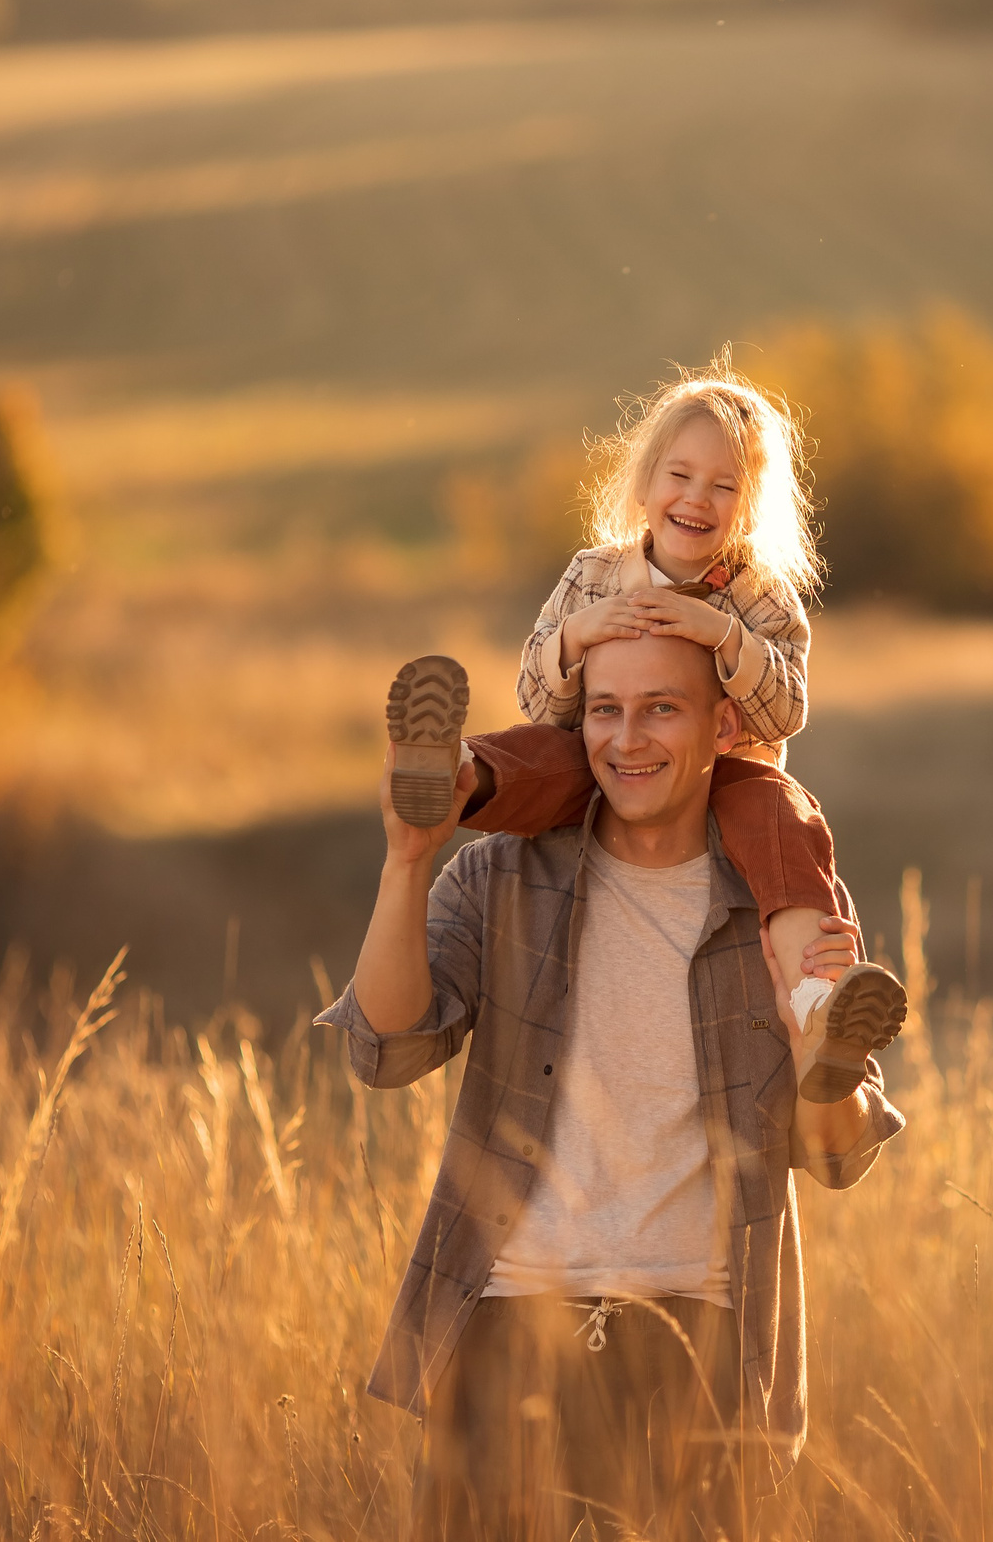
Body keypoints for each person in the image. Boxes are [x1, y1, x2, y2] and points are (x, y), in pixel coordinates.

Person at [320, 629, 907, 1539]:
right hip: (507, 1319)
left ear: (723, 726)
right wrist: (406, 858)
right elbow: (385, 1048)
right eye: (605, 710)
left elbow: (837, 1157)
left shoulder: (785, 904)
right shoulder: (500, 872)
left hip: (699, 1335)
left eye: (660, 709)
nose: (626, 740)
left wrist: (806, 1047)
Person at [383, 360, 901, 1100]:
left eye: (725, 486)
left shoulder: (760, 597)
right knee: (544, 757)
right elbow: (537, 694)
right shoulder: (595, 574)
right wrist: (580, 634)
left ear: (751, 510)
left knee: (789, 824)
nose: (697, 499)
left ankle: (820, 1011)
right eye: (680, 476)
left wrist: (721, 635)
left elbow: (787, 710)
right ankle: (451, 775)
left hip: (733, 775)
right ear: (645, 481)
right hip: (601, 755)